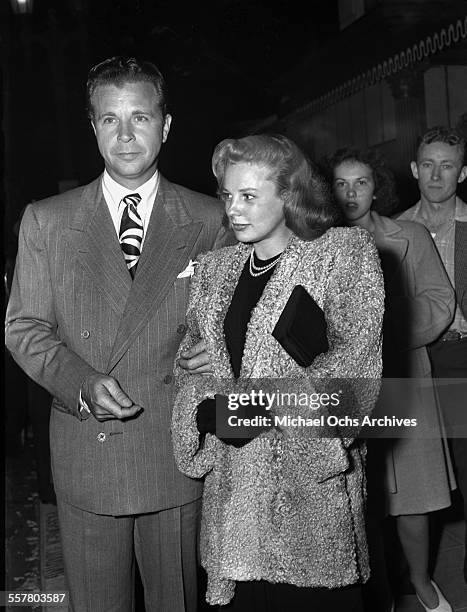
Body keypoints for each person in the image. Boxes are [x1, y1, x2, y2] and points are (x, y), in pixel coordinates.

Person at [5, 56, 230, 612]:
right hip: (88, 451)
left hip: (174, 450)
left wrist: (220, 350)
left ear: (166, 125)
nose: (126, 135)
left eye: (140, 118)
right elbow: (23, 327)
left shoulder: (211, 218)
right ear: (93, 127)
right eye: (110, 119)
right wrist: (80, 381)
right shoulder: (48, 221)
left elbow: (236, 322)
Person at [171, 134, 384, 612]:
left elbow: (355, 380)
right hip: (234, 504)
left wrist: (241, 414)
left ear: (289, 195)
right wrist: (196, 388)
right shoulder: (216, 270)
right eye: (228, 195)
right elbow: (193, 366)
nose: (233, 210)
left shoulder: (342, 256)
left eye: (248, 196)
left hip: (307, 499)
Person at [327, 146, 456, 612]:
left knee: (415, 498)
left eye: (360, 182)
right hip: (347, 390)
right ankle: (375, 592)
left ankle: (422, 581)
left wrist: (383, 331)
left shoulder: (410, 234)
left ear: (376, 187)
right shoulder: (316, 243)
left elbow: (441, 302)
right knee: (358, 499)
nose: (350, 193)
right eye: (340, 183)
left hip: (404, 379)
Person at [397, 125, 467, 585]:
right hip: (416, 363)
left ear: (463, 173)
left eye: (447, 166)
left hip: (464, 359)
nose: (436, 175)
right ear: (413, 170)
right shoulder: (395, 229)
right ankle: (413, 579)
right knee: (416, 479)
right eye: (428, 165)